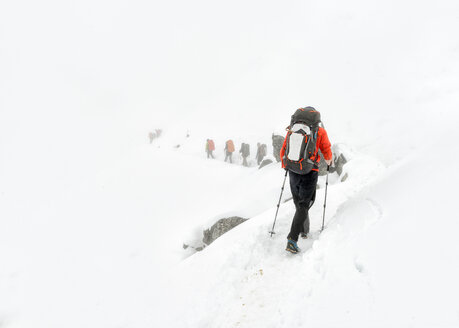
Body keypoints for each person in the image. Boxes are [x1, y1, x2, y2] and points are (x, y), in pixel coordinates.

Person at [280, 107, 332, 254]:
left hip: (293, 169)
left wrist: (286, 165)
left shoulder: (293, 129)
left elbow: (284, 149)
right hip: (310, 171)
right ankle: (292, 238)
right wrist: (329, 162)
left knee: (298, 203)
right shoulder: (319, 131)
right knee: (305, 203)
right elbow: (327, 150)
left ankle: (304, 230)